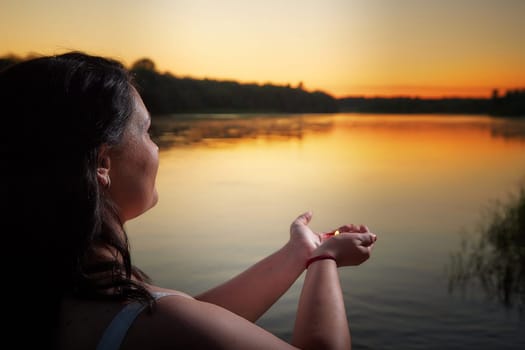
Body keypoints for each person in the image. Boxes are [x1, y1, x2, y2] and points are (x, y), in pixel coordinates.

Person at [0, 51, 377, 350]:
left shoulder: (44, 288)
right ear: (102, 163)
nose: (158, 146)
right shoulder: (153, 320)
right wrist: (325, 260)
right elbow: (186, 324)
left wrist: (297, 253)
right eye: (147, 131)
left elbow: (195, 318)